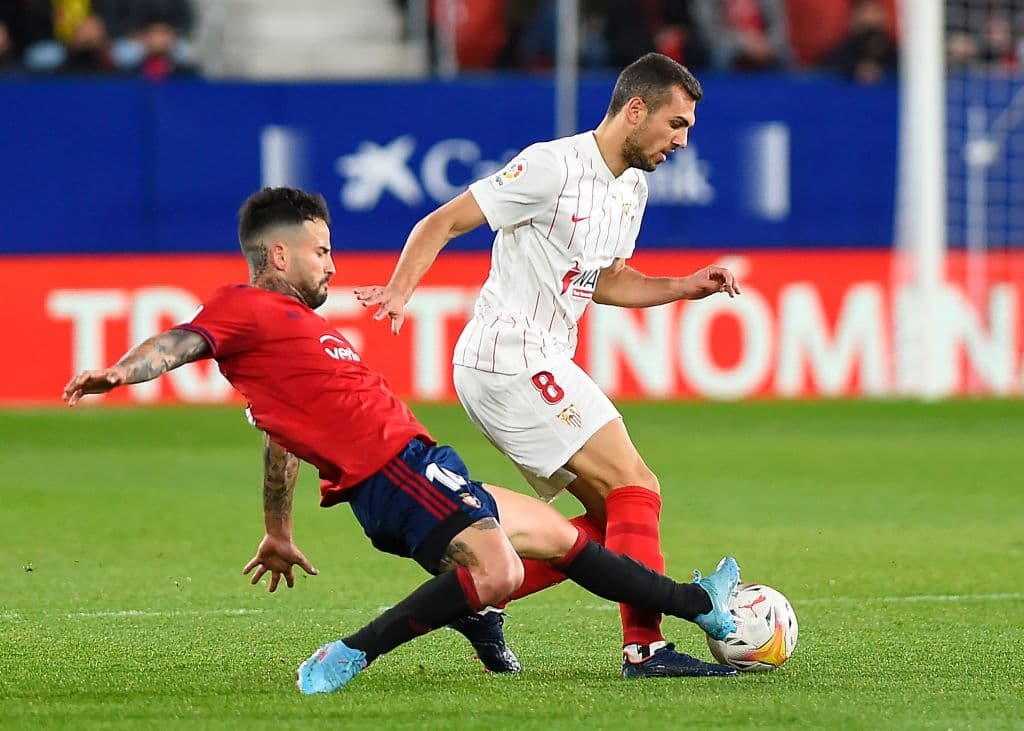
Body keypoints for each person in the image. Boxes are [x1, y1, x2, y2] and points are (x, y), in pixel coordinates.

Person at [62, 186, 742, 694]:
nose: (331, 264)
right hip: (394, 473)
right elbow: (179, 342)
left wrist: (277, 527)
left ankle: (697, 604)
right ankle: (352, 650)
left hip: (418, 466)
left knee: (564, 540)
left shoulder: (288, 336)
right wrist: (122, 371)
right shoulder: (244, 308)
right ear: (279, 253)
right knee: (500, 571)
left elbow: (281, 437)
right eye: (321, 250)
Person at [355, 52, 742, 679]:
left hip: (541, 358)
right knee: (636, 485)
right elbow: (443, 221)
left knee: (611, 518)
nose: (682, 140)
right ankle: (645, 649)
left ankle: (481, 595)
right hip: (509, 357)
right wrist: (400, 290)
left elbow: (607, 280)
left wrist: (683, 285)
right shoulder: (550, 166)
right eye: (676, 124)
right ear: (635, 110)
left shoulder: (632, 188)